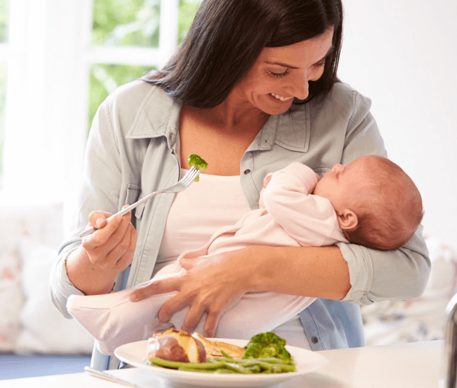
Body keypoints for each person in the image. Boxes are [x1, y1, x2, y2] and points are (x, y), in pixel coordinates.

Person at [50, 0, 430, 369]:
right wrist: (97, 261)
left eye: (317, 63)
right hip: (157, 365)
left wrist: (250, 267)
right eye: (279, 71)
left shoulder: (342, 115)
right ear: (225, 48)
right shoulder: (128, 113)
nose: (301, 89)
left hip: (305, 371)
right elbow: (65, 292)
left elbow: (408, 269)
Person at [65, 155, 424, 355]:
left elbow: (280, 197)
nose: (331, 169)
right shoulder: (336, 233)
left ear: (347, 217)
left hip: (233, 284)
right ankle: (124, 336)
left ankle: (109, 318)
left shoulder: (322, 216)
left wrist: (296, 171)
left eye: (340, 175)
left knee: (162, 290)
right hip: (253, 316)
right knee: (171, 321)